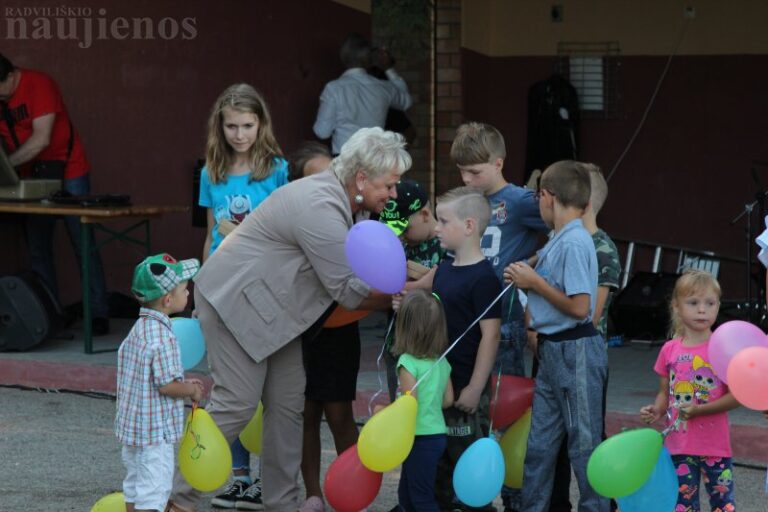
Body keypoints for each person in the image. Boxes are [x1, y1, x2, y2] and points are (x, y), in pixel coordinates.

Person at [165, 127, 411, 512]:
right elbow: (345, 288)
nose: (393, 194)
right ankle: (179, 500)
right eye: (390, 185)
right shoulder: (322, 204)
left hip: (275, 316)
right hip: (236, 304)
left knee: (286, 408)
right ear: (361, 178)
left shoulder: (340, 199)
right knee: (237, 403)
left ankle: (283, 503)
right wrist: (401, 299)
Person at [197, 83, 288, 511]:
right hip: (222, 283)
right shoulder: (210, 171)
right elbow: (210, 231)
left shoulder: (277, 169)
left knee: (269, 389)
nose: (239, 134)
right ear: (221, 126)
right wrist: (202, 283)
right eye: (231, 126)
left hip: (264, 285)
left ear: (260, 124)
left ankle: (272, 481)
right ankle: (238, 478)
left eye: (247, 125)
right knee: (230, 386)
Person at [451, 121, 548, 512]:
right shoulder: (463, 202)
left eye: (475, 171)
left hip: (504, 323)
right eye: (461, 171)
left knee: (502, 411)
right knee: (466, 410)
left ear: (498, 162)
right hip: (465, 322)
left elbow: (564, 227)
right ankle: (470, 497)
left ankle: (514, 496)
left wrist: (530, 264)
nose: (468, 179)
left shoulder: (521, 200)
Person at [504, 160, 608, 512]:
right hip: (552, 352)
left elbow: (581, 308)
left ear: (546, 196)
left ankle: (596, 508)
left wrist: (535, 284)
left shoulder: (576, 241)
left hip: (575, 348)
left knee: (584, 445)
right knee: (540, 445)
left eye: (538, 199)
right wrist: (529, 266)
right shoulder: (559, 239)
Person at [0, 53, 109, 334]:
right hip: (30, 175)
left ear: (10, 75)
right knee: (38, 246)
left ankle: (97, 312)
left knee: (81, 239)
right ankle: (48, 313)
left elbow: (41, 138)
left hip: (67, 168)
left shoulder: (39, 84)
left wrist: (6, 167)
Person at [286, 142, 361, 512]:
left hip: (340, 328)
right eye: (315, 179)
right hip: (300, 327)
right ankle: (313, 494)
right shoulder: (295, 220)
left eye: (331, 175)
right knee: (306, 413)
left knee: (340, 414)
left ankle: (355, 493)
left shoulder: (350, 218)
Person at [547, 163, 621, 512]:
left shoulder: (600, 247)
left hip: (583, 354)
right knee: (555, 439)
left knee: (587, 437)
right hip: (555, 350)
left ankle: (602, 503)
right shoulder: (560, 240)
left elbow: (591, 311)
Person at [640, 270, 739, 512]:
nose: (702, 310)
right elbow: (666, 391)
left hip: (715, 446)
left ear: (718, 306)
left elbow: (736, 397)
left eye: (710, 303)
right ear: (676, 306)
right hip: (679, 445)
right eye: (693, 303)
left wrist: (699, 410)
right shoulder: (669, 350)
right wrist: (657, 409)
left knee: (723, 505)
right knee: (682, 505)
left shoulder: (724, 348)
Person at [430, 186, 501, 511]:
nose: (436, 228)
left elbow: (491, 336)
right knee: (439, 465)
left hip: (465, 386)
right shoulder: (444, 268)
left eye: (443, 221)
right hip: (437, 384)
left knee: (467, 462)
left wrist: (475, 387)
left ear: (469, 226)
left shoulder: (484, 278)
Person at [115, 253, 205, 512]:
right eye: (184, 290)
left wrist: (182, 381)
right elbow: (166, 386)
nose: (188, 294)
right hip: (155, 435)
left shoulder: (138, 329)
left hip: (134, 432)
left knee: (134, 485)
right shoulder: (164, 337)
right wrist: (191, 389)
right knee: (154, 492)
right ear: (168, 299)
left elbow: (149, 375)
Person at [380, 178, 446, 402]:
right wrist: (417, 286)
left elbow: (447, 283)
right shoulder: (397, 246)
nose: (399, 235)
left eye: (404, 228)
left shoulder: (446, 243)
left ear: (425, 215)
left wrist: (416, 287)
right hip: (399, 346)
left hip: (435, 347)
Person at [391, 289, 454, 512]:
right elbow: (448, 400)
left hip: (417, 438)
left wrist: (385, 412)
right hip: (436, 435)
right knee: (408, 495)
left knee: (421, 499)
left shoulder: (407, 362)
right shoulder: (442, 362)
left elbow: (409, 405)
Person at [313, 33, 412, 155]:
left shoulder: (334, 89)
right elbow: (406, 102)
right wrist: (389, 69)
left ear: (343, 58)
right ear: (368, 60)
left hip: (345, 160)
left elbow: (322, 132)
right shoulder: (383, 87)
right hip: (374, 160)